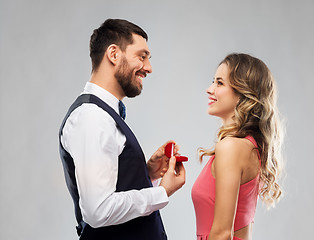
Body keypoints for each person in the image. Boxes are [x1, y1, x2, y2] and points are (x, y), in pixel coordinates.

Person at [59, 19, 185, 240]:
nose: (149, 68)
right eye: (142, 56)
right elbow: (98, 211)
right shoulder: (92, 117)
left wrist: (146, 174)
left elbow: (110, 188)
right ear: (114, 54)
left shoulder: (103, 114)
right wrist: (161, 192)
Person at [191, 53, 284, 240]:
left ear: (243, 92)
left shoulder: (231, 147)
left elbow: (223, 233)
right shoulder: (247, 146)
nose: (209, 89)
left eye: (219, 83)